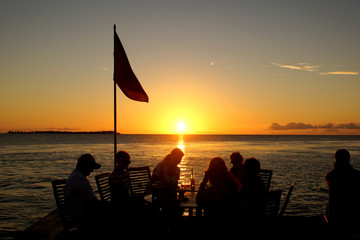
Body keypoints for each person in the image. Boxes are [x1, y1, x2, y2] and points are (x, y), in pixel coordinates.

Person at [64, 154, 103, 232]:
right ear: (85, 165)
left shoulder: (76, 176)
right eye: (91, 167)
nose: (92, 170)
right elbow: (93, 203)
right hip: (82, 218)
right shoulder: (79, 179)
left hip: (78, 214)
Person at [325, 149, 360, 228]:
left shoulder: (331, 176)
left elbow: (330, 176)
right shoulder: (357, 175)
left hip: (335, 218)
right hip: (353, 218)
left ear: (337, 160)